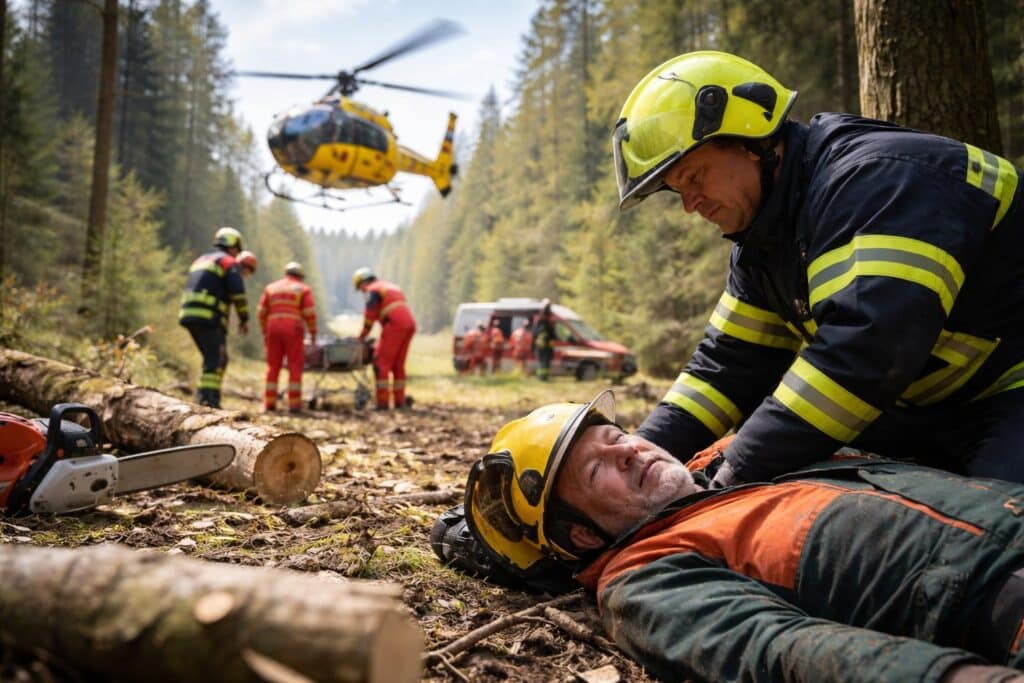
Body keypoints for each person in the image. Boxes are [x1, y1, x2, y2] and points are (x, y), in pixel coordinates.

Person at [611, 51, 1024, 487]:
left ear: (751, 141)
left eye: (694, 177)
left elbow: (865, 354)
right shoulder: (765, 239)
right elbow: (726, 367)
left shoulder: (877, 183)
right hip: (933, 410)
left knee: (996, 533)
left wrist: (729, 479)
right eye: (677, 191)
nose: (690, 205)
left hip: (1008, 392)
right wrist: (637, 456)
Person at [448, 391, 1024, 682]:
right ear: (581, 535)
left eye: (615, 436)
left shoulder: (739, 456)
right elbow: (777, 650)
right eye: (596, 470)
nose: (628, 451)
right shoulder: (643, 576)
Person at [178, 227, 250, 409]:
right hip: (209, 316)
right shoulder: (228, 262)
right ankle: (208, 402)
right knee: (215, 360)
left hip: (188, 315)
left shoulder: (200, 260)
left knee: (214, 358)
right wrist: (244, 318)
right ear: (232, 244)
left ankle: (205, 399)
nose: (237, 253)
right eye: (237, 248)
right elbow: (238, 293)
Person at [353, 267, 416, 410]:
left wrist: (361, 337)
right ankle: (400, 402)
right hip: (409, 324)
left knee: (380, 363)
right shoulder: (389, 286)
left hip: (394, 325)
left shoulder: (372, 290)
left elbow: (370, 317)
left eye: (360, 288)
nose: (362, 291)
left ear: (363, 282)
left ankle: (382, 403)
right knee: (397, 365)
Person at [258, 261, 317, 413]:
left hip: (273, 328)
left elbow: (261, 312)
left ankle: (269, 404)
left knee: (273, 366)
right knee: (295, 366)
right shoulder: (303, 289)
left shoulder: (271, 288)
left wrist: (265, 331)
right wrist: (313, 334)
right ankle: (294, 405)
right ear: (300, 276)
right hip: (293, 329)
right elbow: (309, 313)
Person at [532, 301, 556, 381]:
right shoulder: (547, 319)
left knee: (542, 362)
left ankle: (543, 377)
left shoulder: (539, 318)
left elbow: (534, 333)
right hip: (545, 346)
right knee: (544, 362)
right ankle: (543, 377)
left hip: (542, 345)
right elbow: (552, 333)